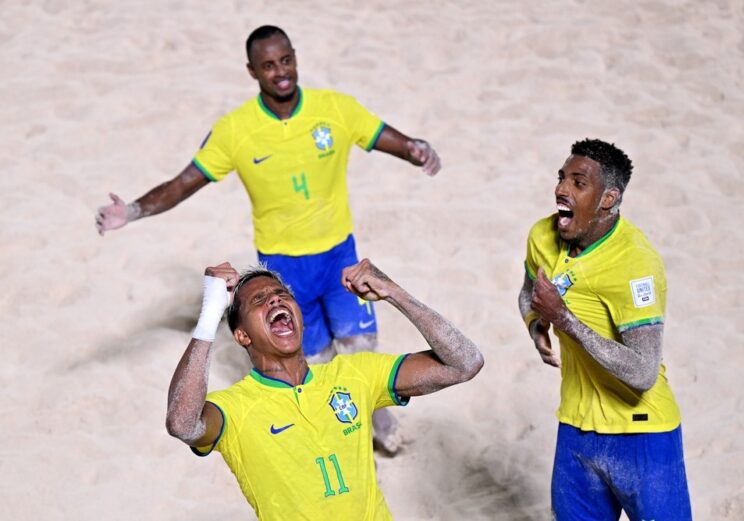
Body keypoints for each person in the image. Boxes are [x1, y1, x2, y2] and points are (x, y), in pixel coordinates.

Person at [96, 25, 440, 454]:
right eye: (268, 65)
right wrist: (131, 211)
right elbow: (183, 184)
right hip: (284, 271)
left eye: (286, 60)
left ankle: (377, 415)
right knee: (310, 360)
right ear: (252, 71)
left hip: (340, 259)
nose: (280, 72)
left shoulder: (335, 108)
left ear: (295, 57)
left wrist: (418, 149)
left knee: (360, 349)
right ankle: (343, 429)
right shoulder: (235, 130)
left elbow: (392, 139)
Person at [166, 257, 483, 520]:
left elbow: (464, 363)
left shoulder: (354, 373)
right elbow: (182, 423)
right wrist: (210, 315)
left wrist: (394, 292)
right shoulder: (234, 409)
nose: (276, 299)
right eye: (259, 300)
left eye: (282, 295)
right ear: (243, 336)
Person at [517, 138, 692, 520]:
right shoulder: (542, 236)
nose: (561, 189)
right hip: (576, 432)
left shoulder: (636, 264)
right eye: (562, 178)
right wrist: (536, 324)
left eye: (578, 183)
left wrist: (564, 320)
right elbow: (528, 292)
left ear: (608, 198)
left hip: (644, 436)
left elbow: (644, 372)